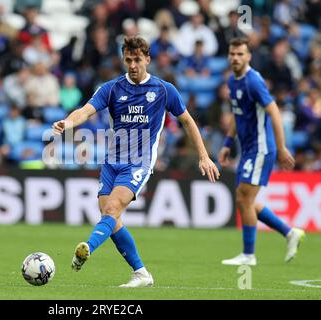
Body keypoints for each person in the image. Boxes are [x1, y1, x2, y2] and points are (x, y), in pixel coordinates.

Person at [52, 35, 220, 287]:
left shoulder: (164, 90)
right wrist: (68, 122)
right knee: (111, 218)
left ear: (148, 59)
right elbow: (86, 110)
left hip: (138, 163)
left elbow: (187, 120)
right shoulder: (111, 88)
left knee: (110, 210)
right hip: (112, 162)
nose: (132, 65)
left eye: (137, 60)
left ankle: (86, 248)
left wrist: (204, 156)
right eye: (128, 60)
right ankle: (141, 273)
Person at [218, 37, 305, 266]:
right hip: (247, 149)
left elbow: (274, 112)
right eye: (232, 54)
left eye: (240, 54)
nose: (235, 58)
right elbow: (238, 114)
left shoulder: (253, 81)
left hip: (260, 148)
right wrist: (228, 142)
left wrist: (281, 147)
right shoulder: (232, 80)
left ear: (248, 56)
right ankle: (289, 233)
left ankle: (249, 255)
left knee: (244, 198)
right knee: (244, 199)